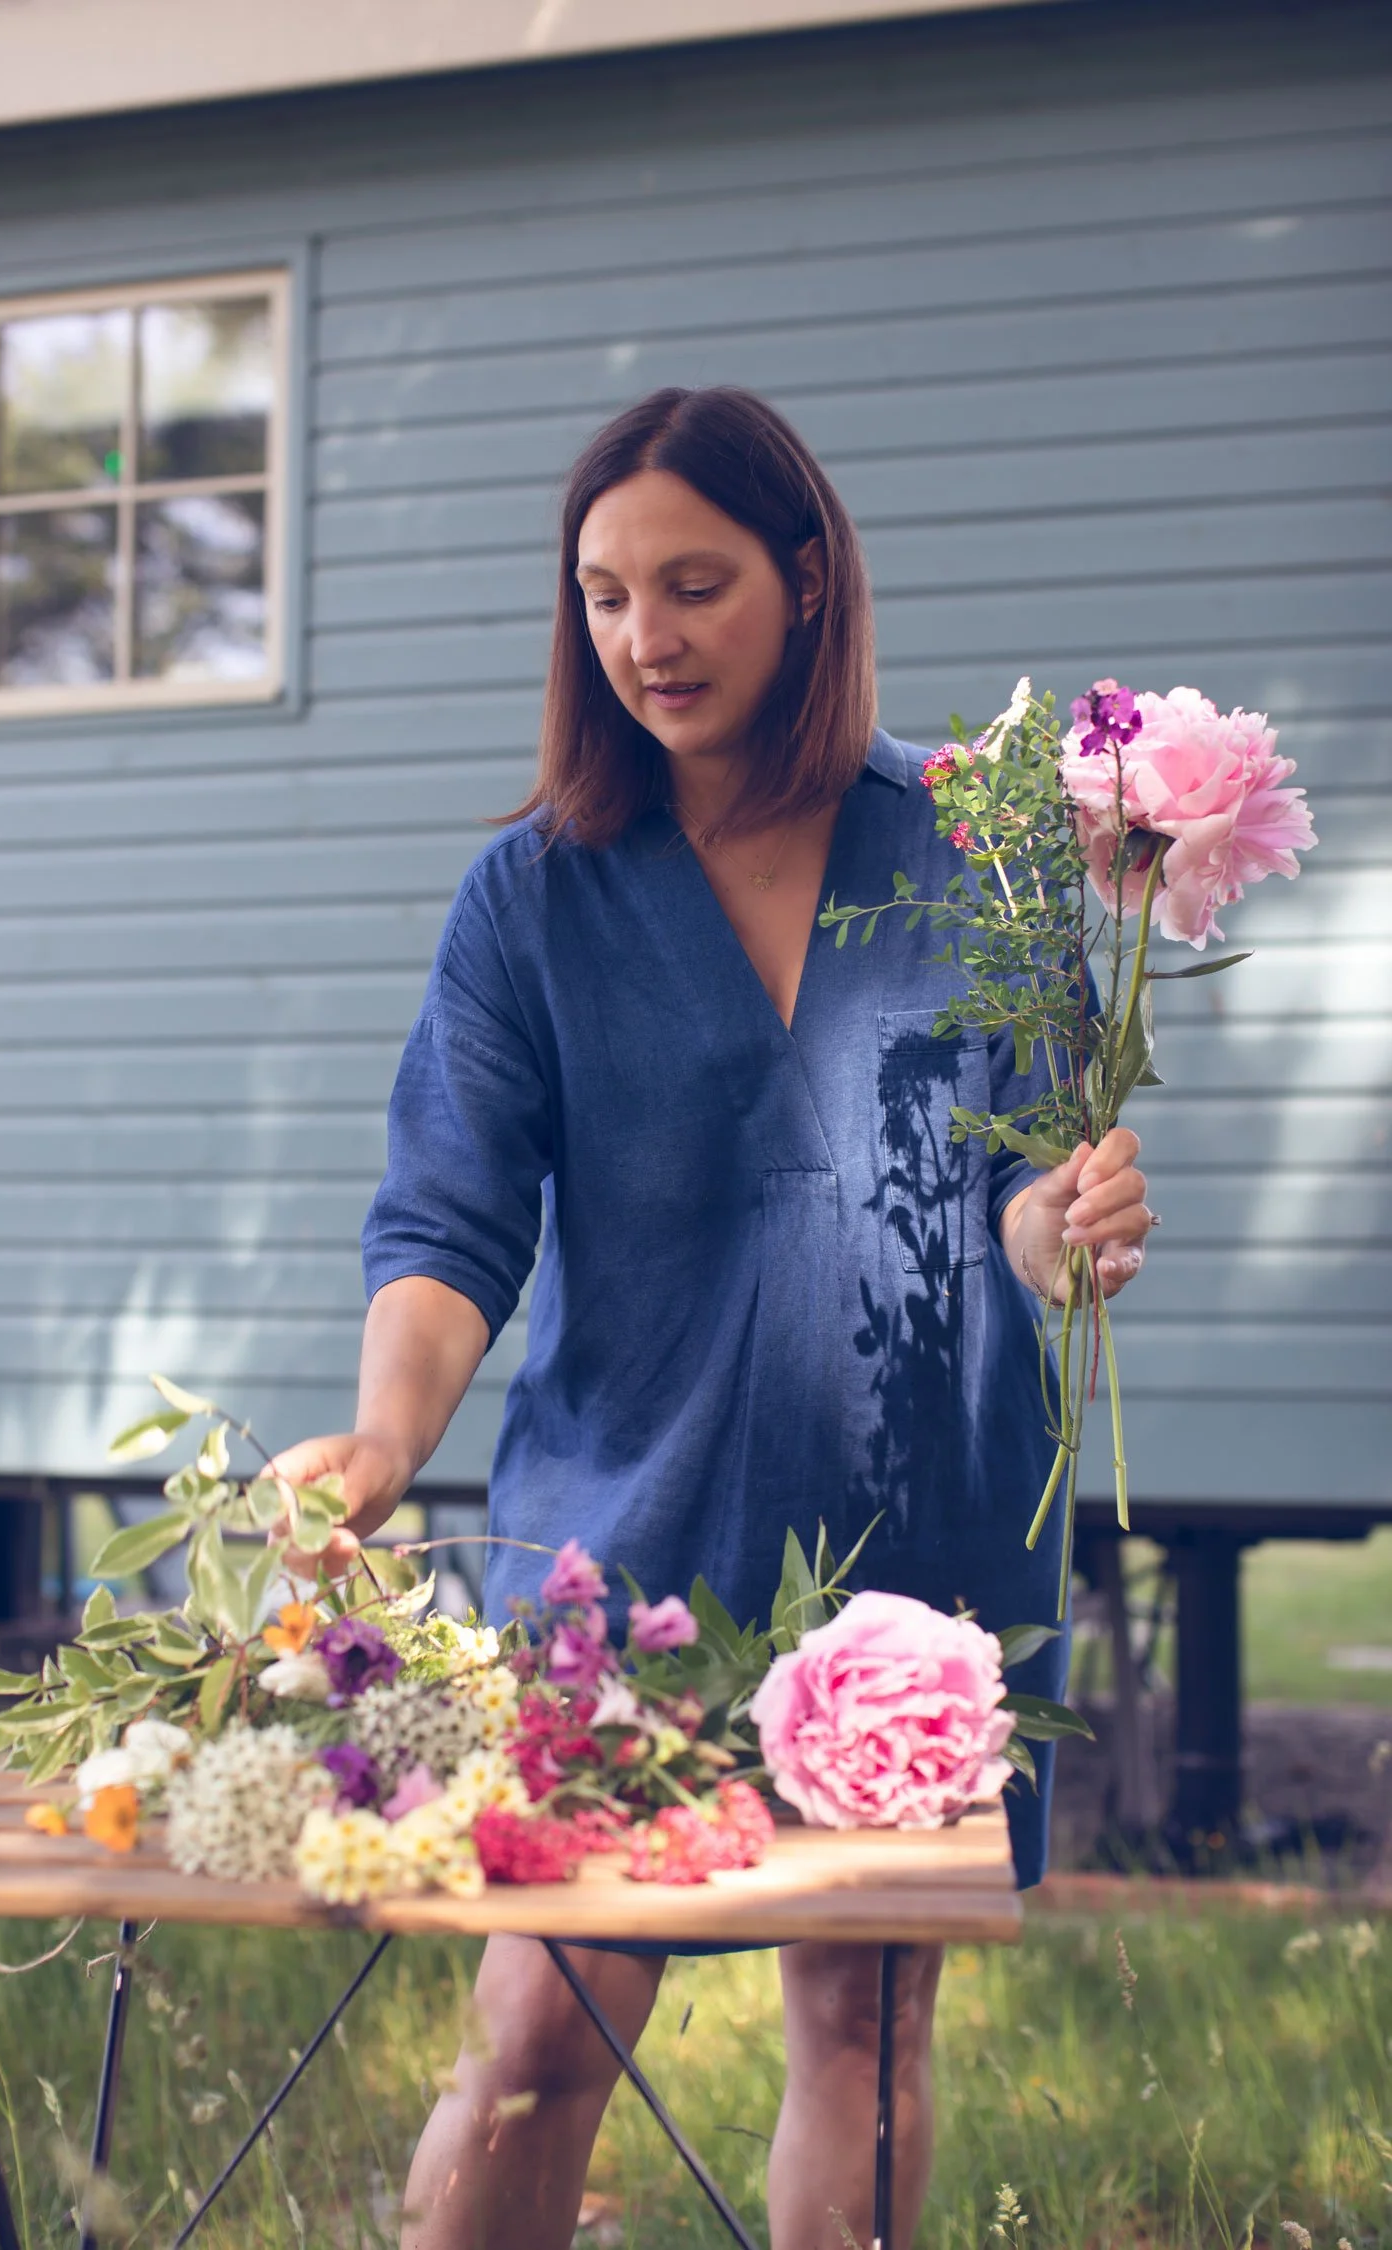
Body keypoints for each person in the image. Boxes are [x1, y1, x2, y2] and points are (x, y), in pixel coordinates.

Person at [273, 387, 1154, 2250]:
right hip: (626, 1546)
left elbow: (1023, 1179)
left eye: (694, 584)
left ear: (809, 579)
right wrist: (382, 1439)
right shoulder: (529, 895)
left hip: (924, 1547)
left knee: (868, 2017)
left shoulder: (986, 844)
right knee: (543, 2009)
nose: (644, 637)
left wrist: (1065, 1233)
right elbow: (448, 1219)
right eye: (603, 594)